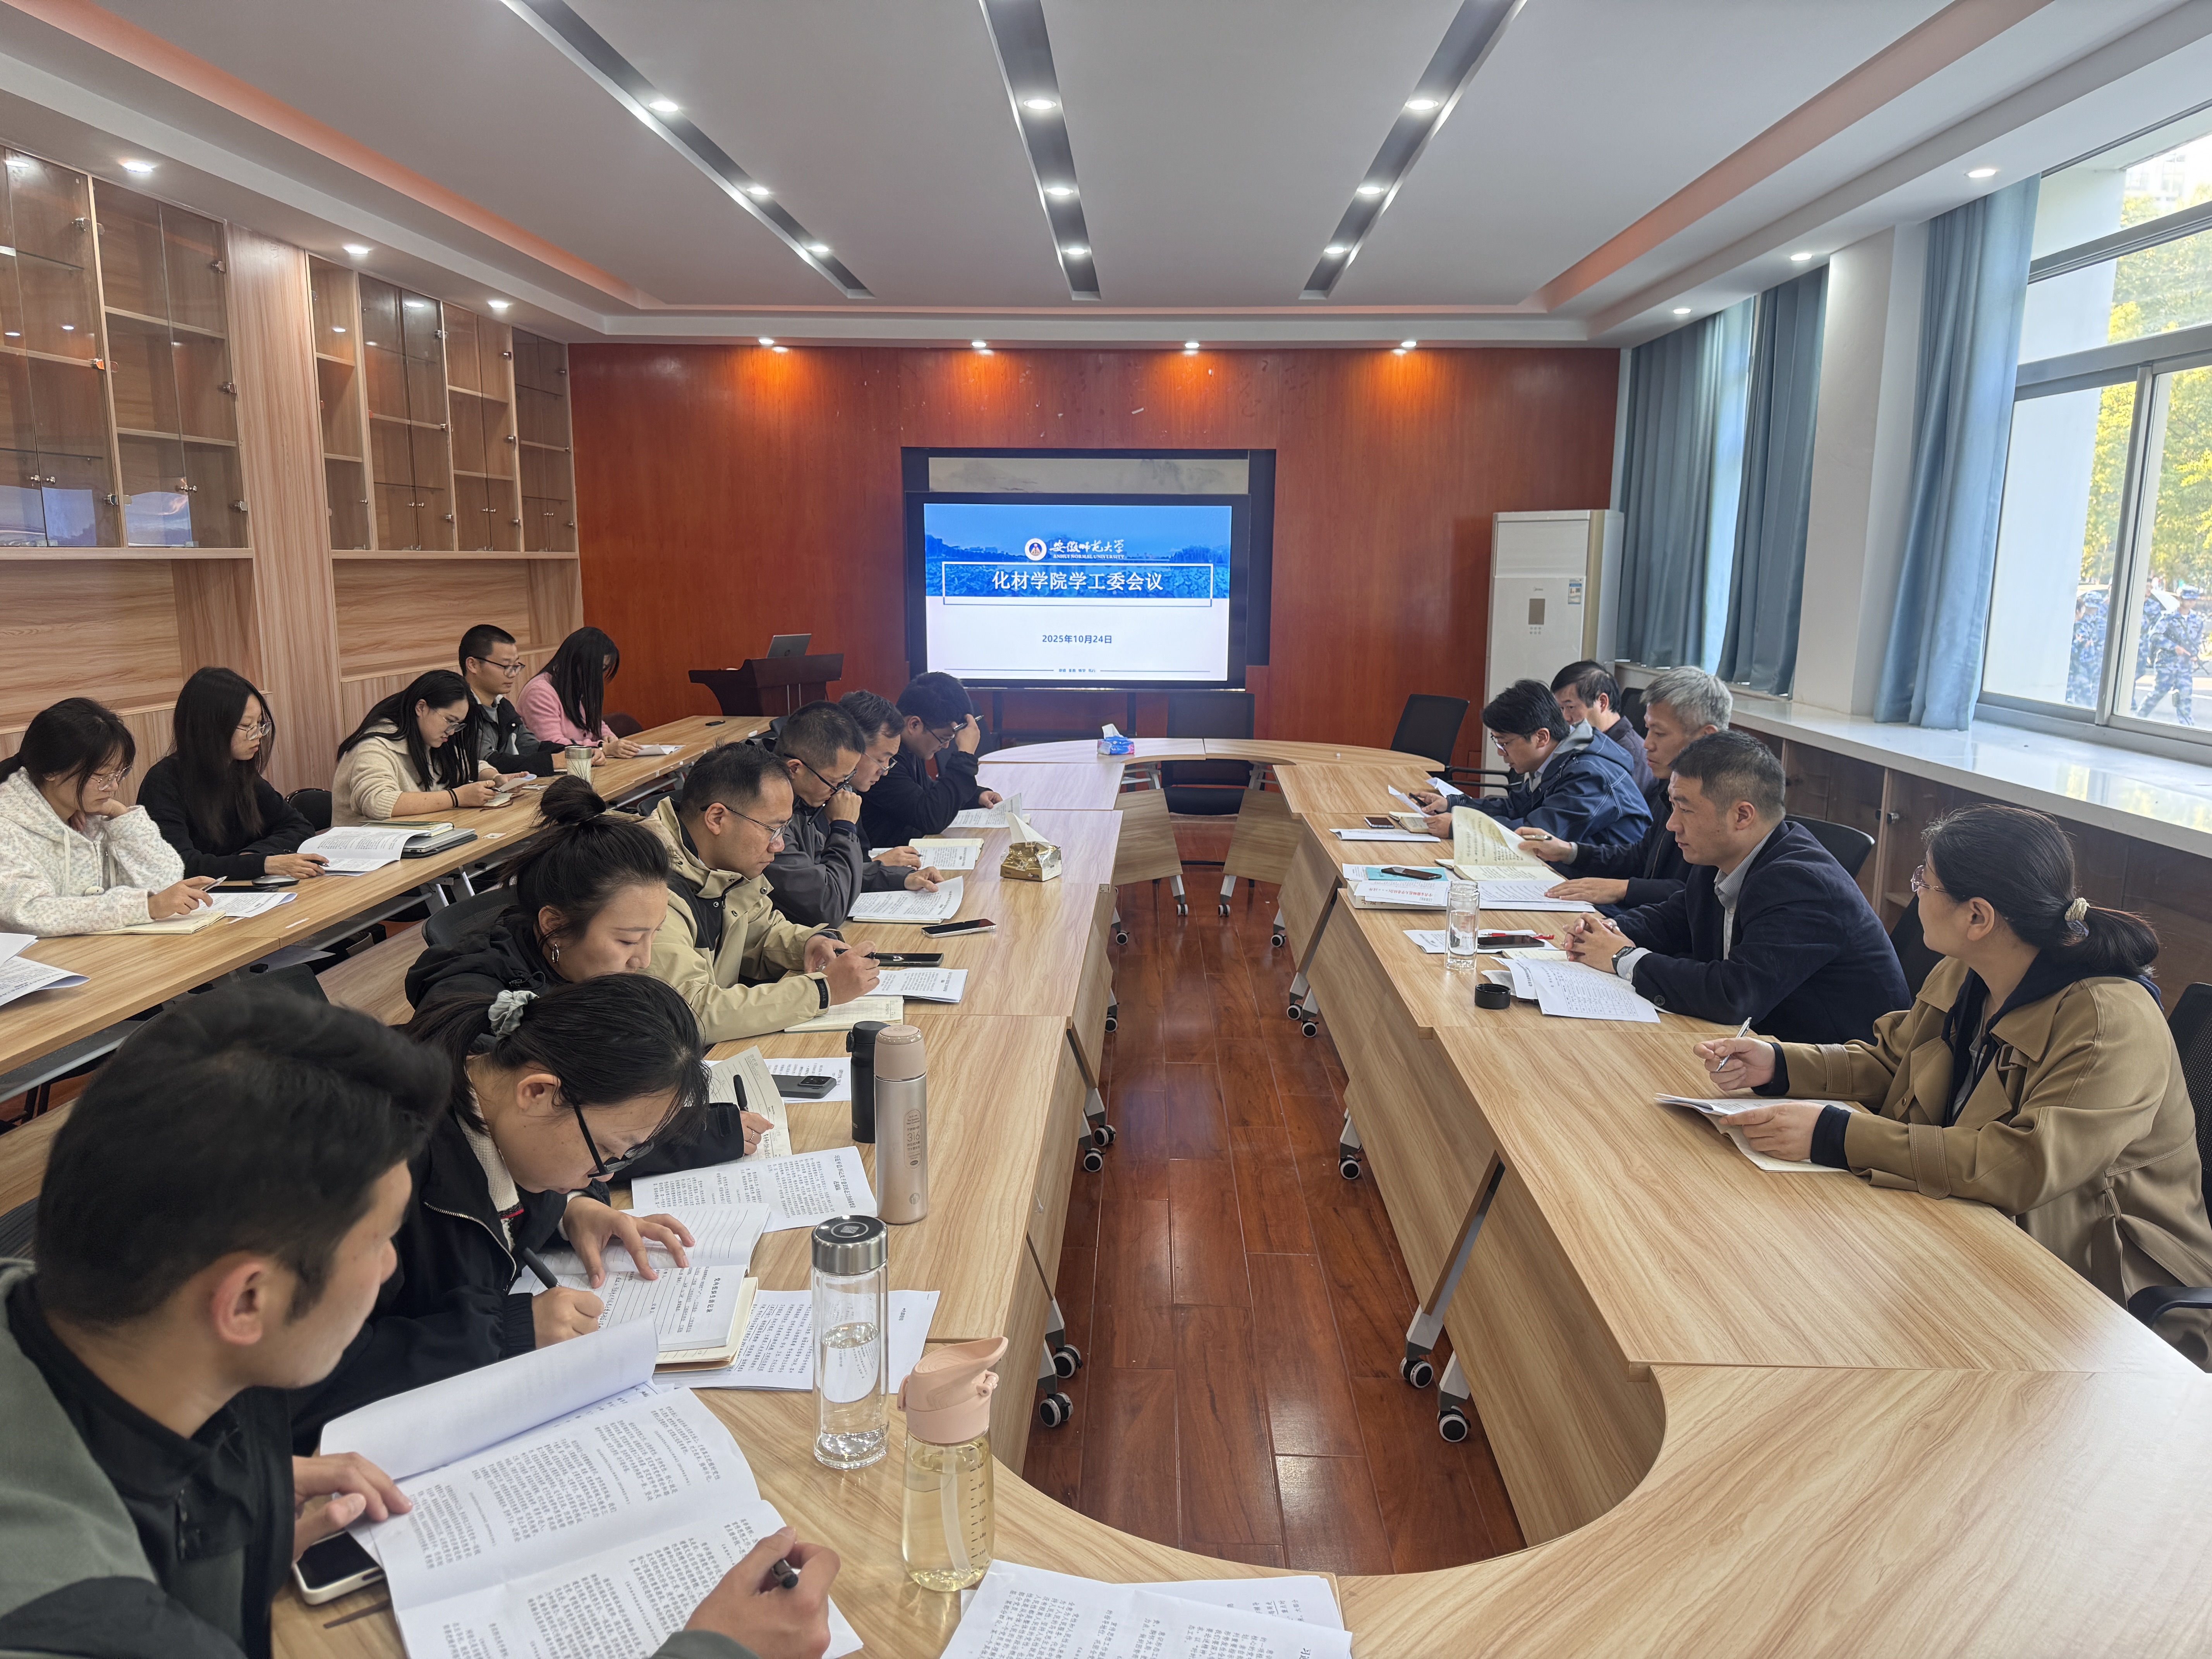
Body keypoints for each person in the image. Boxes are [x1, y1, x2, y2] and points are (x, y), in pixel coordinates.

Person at [0, 982, 840, 1659]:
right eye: (376, 1243)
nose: (390, 1267)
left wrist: (224, 1516)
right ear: (248, 1300)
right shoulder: (82, 1627)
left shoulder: (70, 1324)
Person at [1700, 804, 2212, 1369]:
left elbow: (2022, 1166)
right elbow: (1894, 1062)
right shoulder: (1968, 967)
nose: (1916, 889)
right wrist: (1779, 1064)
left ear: (1978, 916)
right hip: (1967, 1227)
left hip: (2099, 1292)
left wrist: (1836, 1136)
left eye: (1925, 880)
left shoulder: (2108, 1021)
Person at [289, 977, 708, 1450]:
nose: (604, 1175)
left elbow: (507, 1196)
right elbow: (297, 1386)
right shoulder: (370, 1171)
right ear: (538, 1092)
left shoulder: (495, 1096)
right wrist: (504, 1332)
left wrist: (572, 1209)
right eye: (607, 1152)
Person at [404, 776, 773, 1179]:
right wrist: (705, 1133)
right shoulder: (473, 1001)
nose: (644, 959)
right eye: (628, 940)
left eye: (655, 934)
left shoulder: (578, 970)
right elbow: (541, 1141)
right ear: (555, 926)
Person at [1563, 730, 1907, 1042]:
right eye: (1672, 806)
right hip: (1754, 1045)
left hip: (1833, 1070)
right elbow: (1674, 919)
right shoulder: (1725, 857)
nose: (1672, 824)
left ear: (1742, 816)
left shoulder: (1802, 885)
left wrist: (1621, 957)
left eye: (1685, 810)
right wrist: (1606, 930)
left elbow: (1735, 995)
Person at [647, 741, 881, 1041]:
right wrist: (822, 991)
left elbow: (761, 933)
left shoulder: (725, 864)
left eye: (784, 830)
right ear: (717, 818)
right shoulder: (648, 885)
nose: (779, 845)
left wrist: (809, 944)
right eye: (773, 829)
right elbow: (690, 1012)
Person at [0, 696, 211, 935]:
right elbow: (27, 913)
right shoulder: (7, 829)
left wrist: (121, 816)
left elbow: (168, 881)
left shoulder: (93, 815)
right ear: (51, 771)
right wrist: (144, 907)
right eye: (102, 776)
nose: (113, 787)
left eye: (119, 774)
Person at [1522, 665, 1729, 908]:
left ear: (1705, 737)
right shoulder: (1671, 784)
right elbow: (1642, 856)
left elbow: (1700, 895)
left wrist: (1623, 889)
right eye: (1648, 730)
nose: (1647, 744)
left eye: (1660, 734)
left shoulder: (1723, 803)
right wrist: (1570, 852)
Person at [764, 699, 943, 927]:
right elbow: (828, 907)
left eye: (845, 781)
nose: (840, 791)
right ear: (795, 769)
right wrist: (843, 827)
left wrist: (901, 878)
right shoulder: (770, 819)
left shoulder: (803, 802)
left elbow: (824, 873)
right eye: (835, 781)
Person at [139, 668, 325, 883]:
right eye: (247, 726)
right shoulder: (163, 782)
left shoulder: (239, 772)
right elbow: (181, 865)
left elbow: (298, 825)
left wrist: (253, 856)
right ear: (210, 727)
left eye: (260, 724)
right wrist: (261, 864)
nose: (258, 735)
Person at [1411, 679, 1649, 847]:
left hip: (1604, 892)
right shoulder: (1559, 760)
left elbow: (1539, 836)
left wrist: (1462, 827)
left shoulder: (1590, 775)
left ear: (1542, 737)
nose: (1501, 753)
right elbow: (1515, 807)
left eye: (1505, 743)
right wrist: (1454, 805)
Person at [332, 669, 522, 826]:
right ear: (421, 707)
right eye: (450, 721)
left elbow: (466, 765)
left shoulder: (429, 739)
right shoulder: (373, 747)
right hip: (368, 851)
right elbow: (377, 803)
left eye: (458, 725)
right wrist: (456, 798)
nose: (452, 731)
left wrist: (496, 779)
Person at [857, 671, 1003, 850]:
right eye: (943, 739)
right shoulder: (884, 760)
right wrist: (965, 755)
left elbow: (926, 791)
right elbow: (932, 818)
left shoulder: (910, 748)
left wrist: (975, 797)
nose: (946, 746)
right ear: (914, 725)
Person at [519, 625, 642, 760]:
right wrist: (602, 748)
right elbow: (552, 745)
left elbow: (595, 723)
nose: (598, 676)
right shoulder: (539, 693)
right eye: (595, 670)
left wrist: (608, 737)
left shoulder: (577, 686)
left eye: (603, 670)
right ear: (575, 662)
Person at [459, 622, 557, 776]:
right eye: (506, 666)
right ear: (473, 665)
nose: (513, 674)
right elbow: (487, 762)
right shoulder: (461, 710)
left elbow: (531, 747)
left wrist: (576, 752)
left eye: (516, 666)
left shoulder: (502, 705)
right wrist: (552, 761)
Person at [1551, 660, 1654, 791]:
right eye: (1561, 709)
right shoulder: (1581, 742)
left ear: (1602, 702)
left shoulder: (1632, 754)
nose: (1566, 717)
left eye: (1571, 707)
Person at [2136, 586, 2205, 725]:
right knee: (2157, 695)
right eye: (2188, 599)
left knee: (2185, 699)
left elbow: (2196, 642)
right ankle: (2138, 719)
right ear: (2180, 599)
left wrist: (2194, 655)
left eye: (2193, 600)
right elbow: (2154, 637)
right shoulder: (2169, 618)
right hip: (2167, 665)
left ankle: (2188, 728)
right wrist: (2173, 647)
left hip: (2185, 667)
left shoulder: (2197, 621)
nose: (2191, 602)